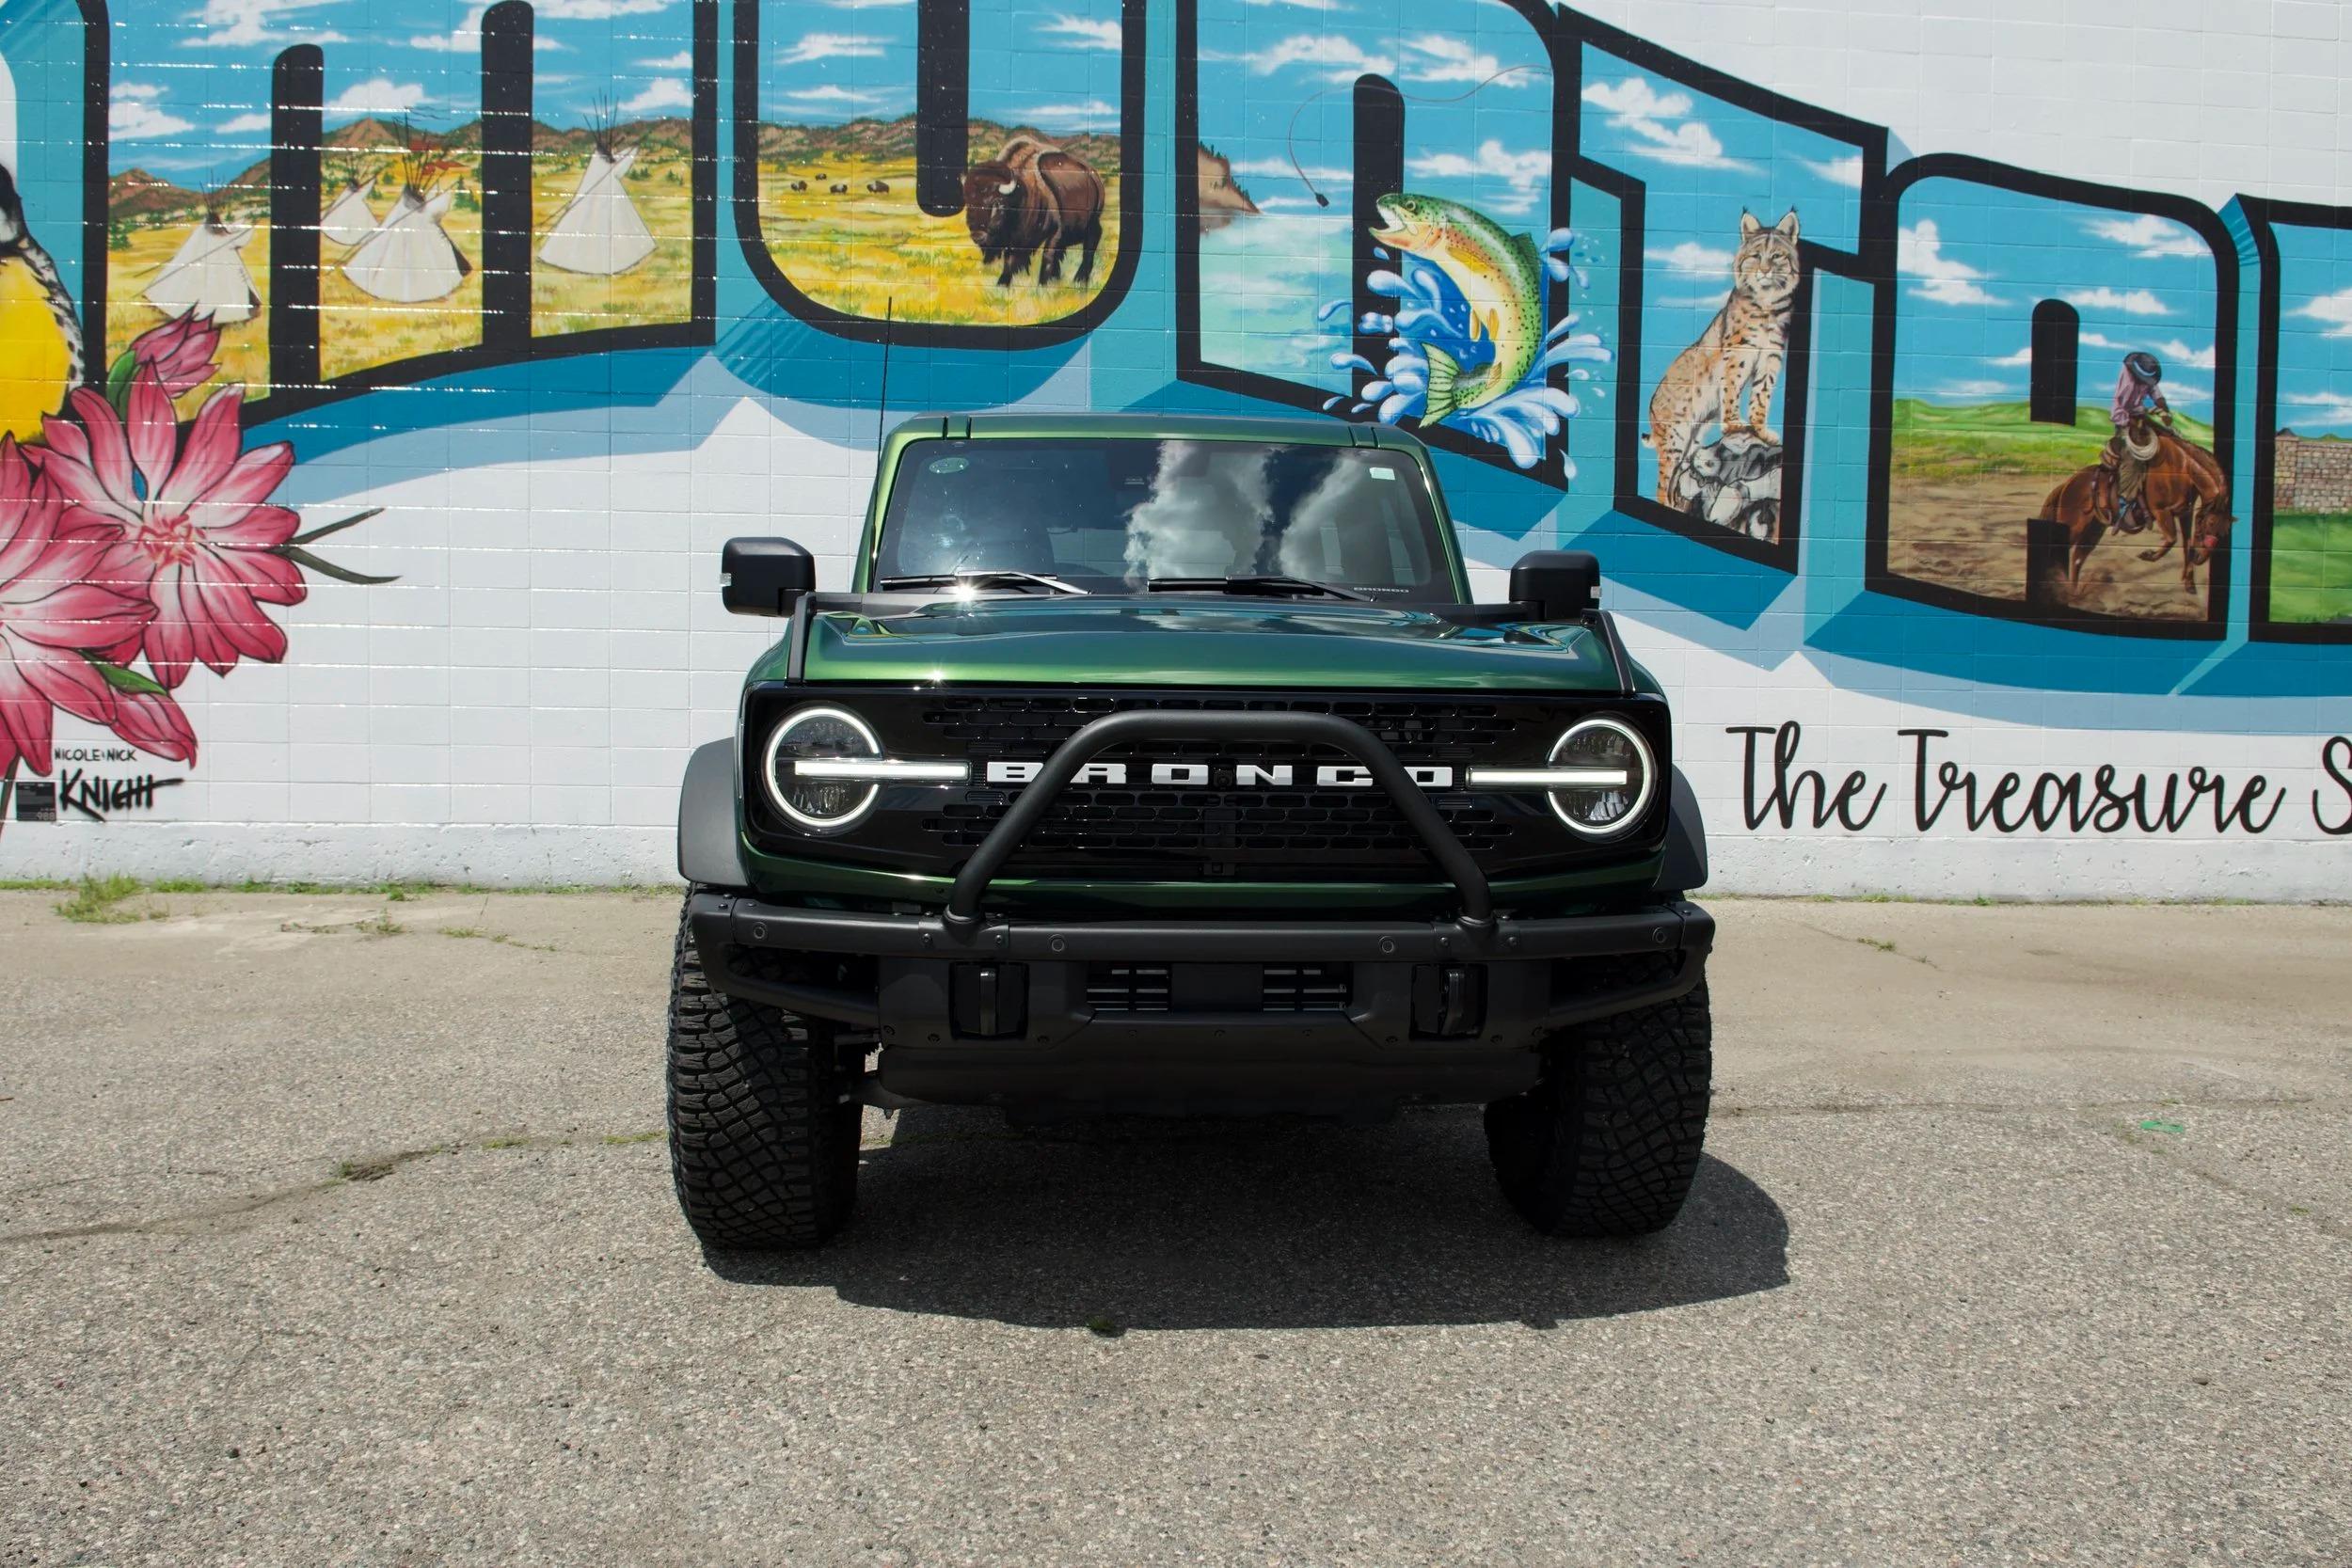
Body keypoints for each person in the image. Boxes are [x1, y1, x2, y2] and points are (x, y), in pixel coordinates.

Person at [2099, 351, 2171, 534]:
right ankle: (2124, 503)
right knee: (2133, 458)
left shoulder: (2147, 378)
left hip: (2140, 417)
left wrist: (2165, 410)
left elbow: (2155, 391)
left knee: (2170, 440)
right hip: (2125, 422)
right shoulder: (2127, 381)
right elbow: (2117, 412)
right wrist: (2133, 423)